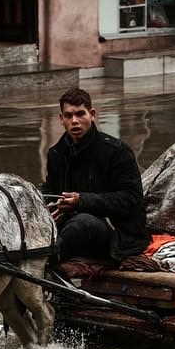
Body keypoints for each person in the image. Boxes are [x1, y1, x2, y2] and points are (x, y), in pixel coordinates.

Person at [42, 88, 150, 264]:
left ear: (92, 115)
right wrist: (48, 210)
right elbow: (49, 190)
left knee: (82, 223)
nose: (74, 121)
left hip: (116, 236)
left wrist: (81, 200)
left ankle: (45, 262)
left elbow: (132, 199)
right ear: (61, 119)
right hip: (70, 227)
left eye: (80, 114)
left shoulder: (117, 152)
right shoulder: (56, 153)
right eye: (68, 116)